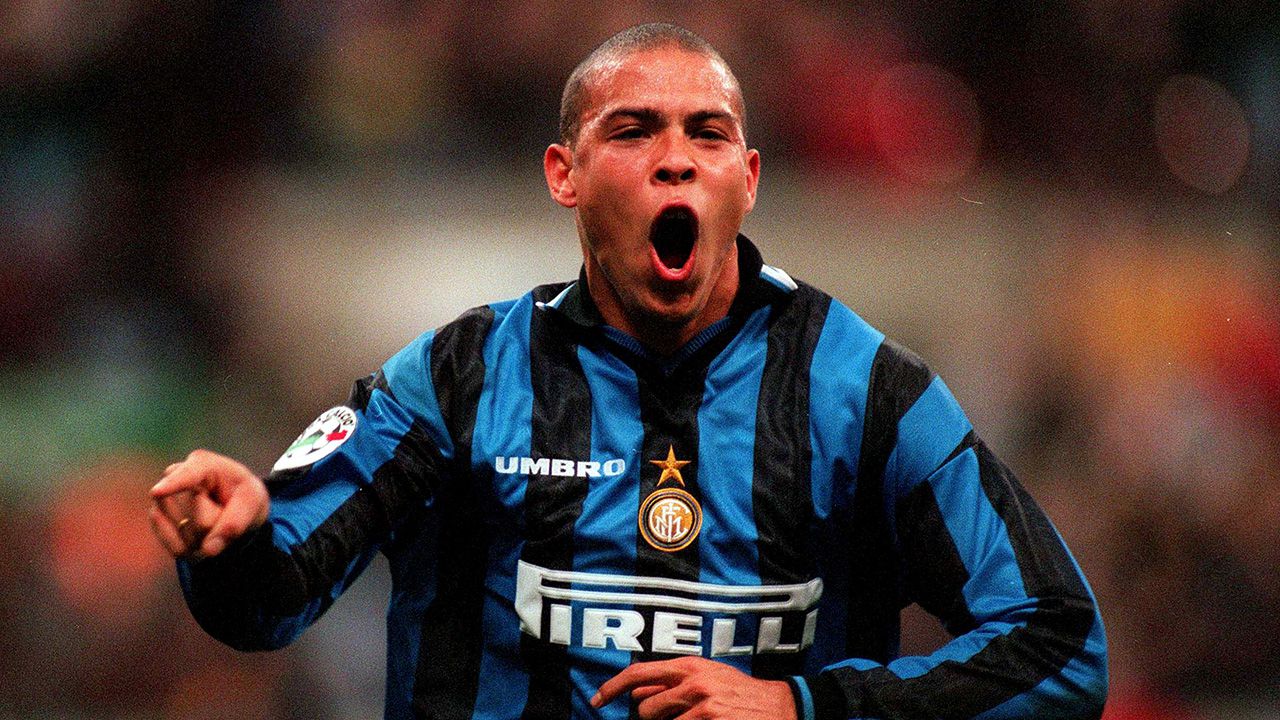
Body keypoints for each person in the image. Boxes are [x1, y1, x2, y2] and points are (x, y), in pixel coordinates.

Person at [149, 23, 1107, 720]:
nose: (675, 161)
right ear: (564, 174)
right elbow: (266, 602)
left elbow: (1060, 645)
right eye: (635, 130)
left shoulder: (866, 390)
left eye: (708, 134)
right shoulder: (459, 379)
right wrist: (234, 545)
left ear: (748, 178)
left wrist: (801, 706)